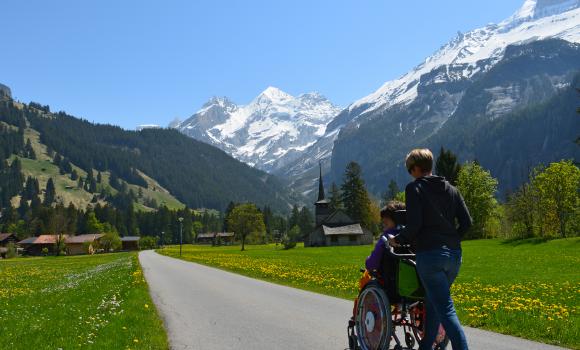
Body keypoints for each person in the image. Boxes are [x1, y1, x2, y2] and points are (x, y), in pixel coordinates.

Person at [388, 148, 472, 350]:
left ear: (416, 168)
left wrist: (397, 240)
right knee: (433, 302)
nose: (411, 174)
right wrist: (451, 239)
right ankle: (425, 346)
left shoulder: (415, 188)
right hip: (454, 256)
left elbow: (415, 224)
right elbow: (467, 222)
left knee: (445, 309)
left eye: (410, 170)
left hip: (430, 256)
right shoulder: (452, 189)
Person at [359, 201, 405, 294]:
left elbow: (372, 263)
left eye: (385, 223)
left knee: (367, 281)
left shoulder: (387, 237)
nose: (384, 226)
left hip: (391, 284)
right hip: (413, 283)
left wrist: (368, 261)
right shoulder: (412, 235)